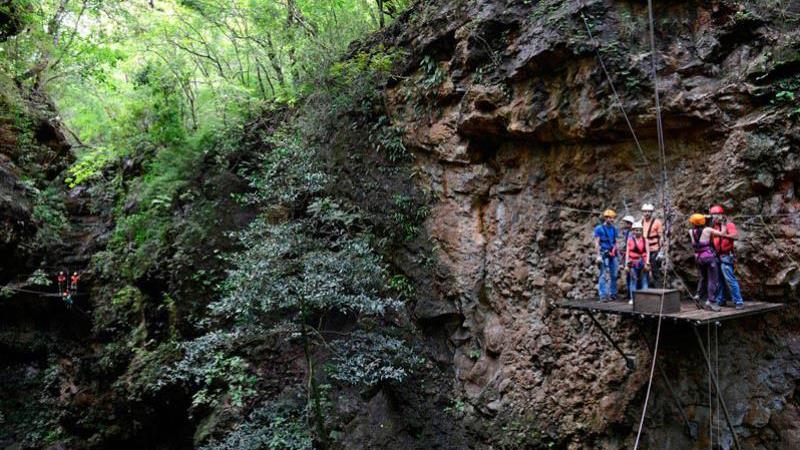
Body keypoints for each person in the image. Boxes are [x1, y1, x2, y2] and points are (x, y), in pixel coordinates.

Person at [688, 214, 732, 312]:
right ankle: (711, 301)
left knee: (703, 278)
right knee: (713, 279)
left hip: (698, 258)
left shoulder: (691, 231)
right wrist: (724, 223)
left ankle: (698, 295)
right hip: (709, 258)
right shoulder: (708, 230)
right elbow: (723, 233)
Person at [710, 205, 744, 309]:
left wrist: (723, 235)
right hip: (718, 255)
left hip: (726, 255)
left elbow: (735, 236)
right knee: (719, 280)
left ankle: (738, 301)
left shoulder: (729, 225)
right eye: (713, 215)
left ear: (721, 215)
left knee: (730, 279)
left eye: (715, 215)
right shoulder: (714, 226)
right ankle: (721, 299)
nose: (714, 218)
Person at [594, 209, 619, 302]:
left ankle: (613, 293)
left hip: (612, 253)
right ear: (605, 218)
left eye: (612, 218)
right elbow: (597, 242)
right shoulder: (599, 229)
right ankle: (603, 295)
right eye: (609, 218)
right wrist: (598, 255)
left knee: (614, 274)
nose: (611, 220)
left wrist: (615, 250)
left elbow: (615, 242)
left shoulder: (614, 229)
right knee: (603, 274)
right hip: (603, 252)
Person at [625, 222, 651, 304]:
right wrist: (626, 264)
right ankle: (633, 298)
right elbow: (627, 252)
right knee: (633, 280)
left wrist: (647, 262)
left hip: (642, 262)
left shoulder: (645, 240)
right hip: (633, 262)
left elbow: (647, 251)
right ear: (633, 231)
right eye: (636, 230)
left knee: (644, 280)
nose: (638, 232)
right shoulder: (630, 240)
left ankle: (645, 298)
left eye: (640, 230)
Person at [641, 203, 664, 287]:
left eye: (649, 212)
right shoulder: (641, 222)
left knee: (655, 271)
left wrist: (661, 251)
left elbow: (661, 237)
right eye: (645, 211)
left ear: (652, 212)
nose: (647, 213)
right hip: (643, 251)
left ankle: (658, 290)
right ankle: (645, 290)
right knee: (644, 271)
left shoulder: (657, 222)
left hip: (654, 249)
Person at [620, 215, 636, 298]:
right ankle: (629, 293)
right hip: (627, 254)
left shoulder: (633, 233)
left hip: (632, 256)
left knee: (633, 275)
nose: (625, 225)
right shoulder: (627, 232)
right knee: (628, 275)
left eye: (627, 223)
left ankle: (633, 294)